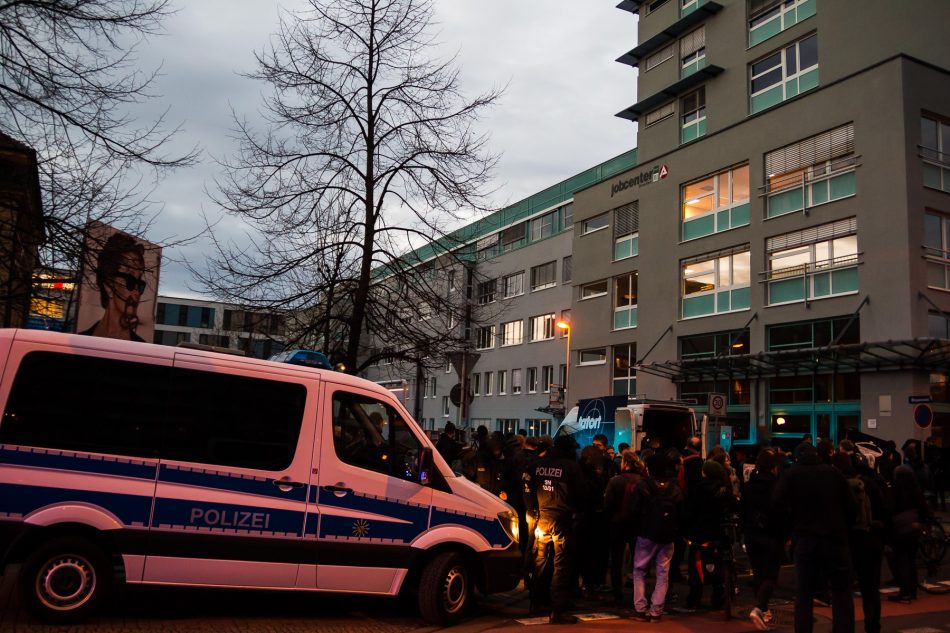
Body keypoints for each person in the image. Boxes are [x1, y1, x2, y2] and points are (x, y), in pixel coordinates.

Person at [773, 443, 856, 633]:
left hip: (806, 538)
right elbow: (851, 506)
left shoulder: (792, 475)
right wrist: (842, 528)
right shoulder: (833, 473)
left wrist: (790, 529)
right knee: (841, 591)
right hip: (835, 538)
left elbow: (776, 504)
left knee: (804, 593)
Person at [523, 434, 583, 624]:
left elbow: (526, 487)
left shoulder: (535, 465)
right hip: (561, 521)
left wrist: (532, 510)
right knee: (561, 564)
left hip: (541, 520)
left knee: (540, 560)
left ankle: (536, 602)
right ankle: (558, 609)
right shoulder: (571, 467)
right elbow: (582, 494)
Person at [630, 453, 684, 622]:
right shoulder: (674, 487)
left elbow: (635, 510)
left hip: (646, 533)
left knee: (639, 570)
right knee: (663, 573)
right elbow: (682, 511)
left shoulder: (643, 486)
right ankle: (656, 610)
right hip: (667, 535)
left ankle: (640, 608)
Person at [741, 449, 786, 631]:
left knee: (758, 571)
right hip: (771, 534)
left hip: (752, 534)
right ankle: (760, 607)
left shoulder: (749, 485)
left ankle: (763, 608)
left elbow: (742, 509)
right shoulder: (776, 486)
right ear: (774, 467)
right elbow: (782, 512)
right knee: (770, 575)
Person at [684, 459, 737, 611]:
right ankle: (719, 596)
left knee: (695, 566)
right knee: (721, 562)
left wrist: (686, 530)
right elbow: (734, 506)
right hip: (720, 531)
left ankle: (694, 598)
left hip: (700, 532)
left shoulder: (697, 489)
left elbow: (689, 512)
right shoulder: (724, 489)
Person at [79, 232, 147, 342]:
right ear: (109, 285)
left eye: (140, 285)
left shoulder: (142, 352)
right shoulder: (80, 344)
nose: (137, 293)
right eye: (130, 281)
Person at [604, 450, 645, 606]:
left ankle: (617, 593)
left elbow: (608, 504)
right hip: (638, 525)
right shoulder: (643, 481)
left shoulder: (616, 481)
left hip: (618, 523)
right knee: (639, 560)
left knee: (616, 560)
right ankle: (638, 594)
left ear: (625, 463)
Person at [887, 464, 932, 603]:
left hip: (900, 529)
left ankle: (904, 591)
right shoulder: (915, 489)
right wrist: (923, 523)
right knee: (911, 560)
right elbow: (924, 508)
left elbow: (889, 509)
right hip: (914, 527)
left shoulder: (895, 489)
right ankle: (912, 591)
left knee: (901, 560)